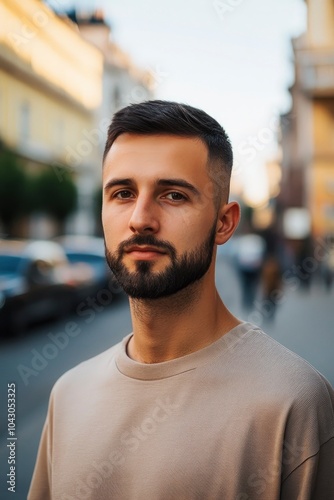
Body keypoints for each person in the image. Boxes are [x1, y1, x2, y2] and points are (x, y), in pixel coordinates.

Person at [28, 101, 334, 500]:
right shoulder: (68, 395)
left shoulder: (295, 401)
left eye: (172, 195)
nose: (140, 218)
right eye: (122, 193)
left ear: (224, 222)